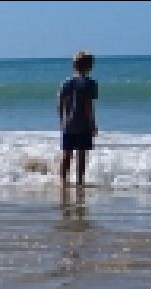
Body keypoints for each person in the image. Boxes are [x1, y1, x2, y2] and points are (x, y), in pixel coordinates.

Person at [58, 51, 99, 187]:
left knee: (67, 154)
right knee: (81, 154)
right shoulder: (90, 83)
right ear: (90, 66)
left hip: (68, 125)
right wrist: (92, 123)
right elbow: (88, 105)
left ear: (74, 66)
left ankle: (63, 181)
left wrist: (62, 121)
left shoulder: (66, 82)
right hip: (83, 125)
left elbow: (60, 104)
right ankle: (79, 181)